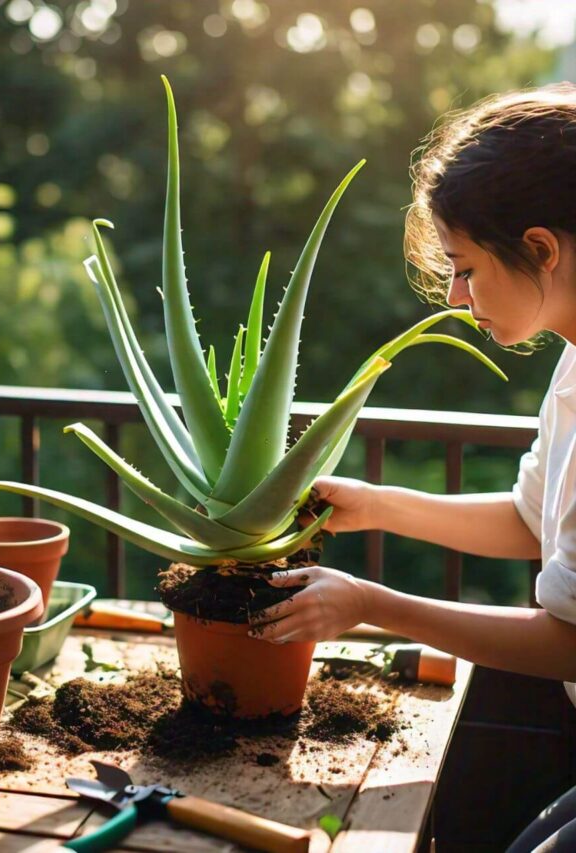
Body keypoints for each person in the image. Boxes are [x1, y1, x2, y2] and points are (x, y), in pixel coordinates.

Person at [249, 83, 576, 852]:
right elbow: (530, 519)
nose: (459, 299)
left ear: (541, 248)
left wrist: (373, 603)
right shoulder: (571, 363)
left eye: (464, 268)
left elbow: (570, 639)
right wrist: (377, 504)